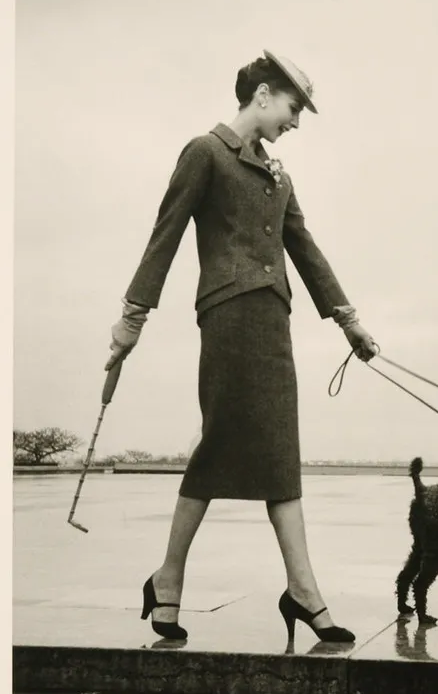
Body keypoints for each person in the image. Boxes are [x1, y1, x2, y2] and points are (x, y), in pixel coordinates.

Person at [106, 50, 378, 644]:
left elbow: (305, 250)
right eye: (292, 107)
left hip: (273, 321)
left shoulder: (279, 174)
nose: (297, 122)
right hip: (227, 318)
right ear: (261, 94)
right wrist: (133, 315)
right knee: (221, 444)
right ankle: (171, 577)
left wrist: (347, 320)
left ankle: (300, 590)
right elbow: (165, 234)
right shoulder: (204, 152)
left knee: (280, 449)